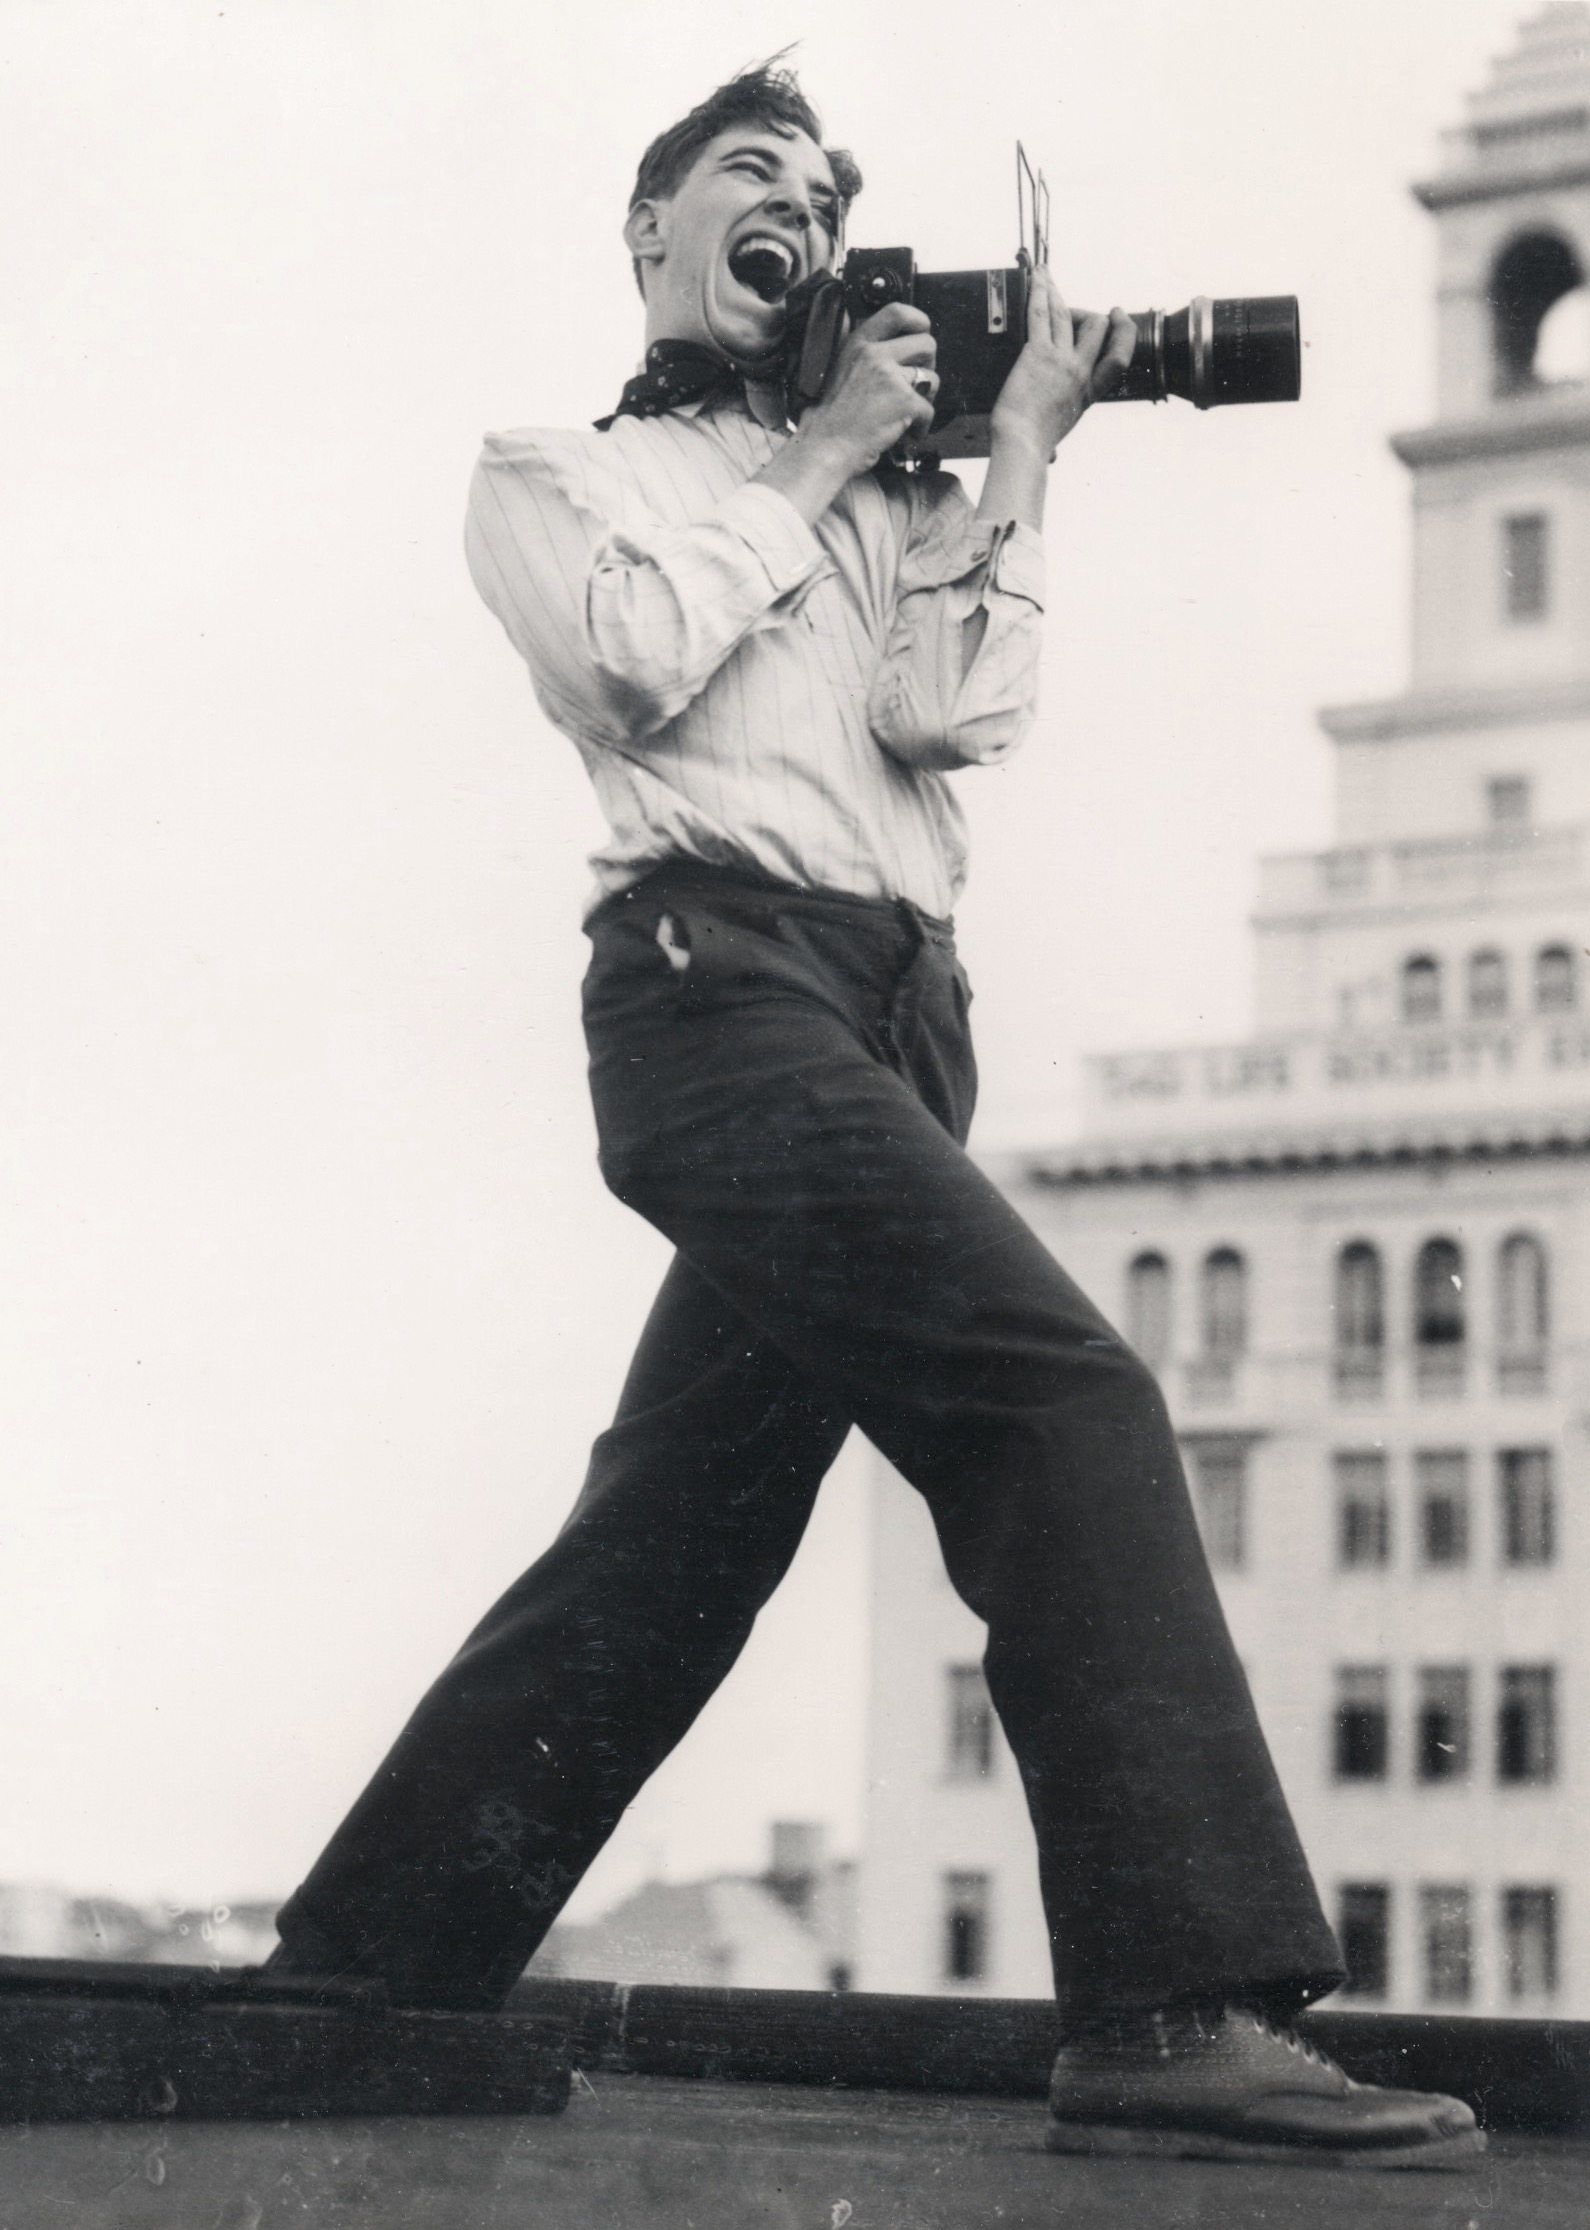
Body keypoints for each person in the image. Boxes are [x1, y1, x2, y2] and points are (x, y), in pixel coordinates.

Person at [269, 63, 1482, 2168]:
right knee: (1063, 1398)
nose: (806, 216)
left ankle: (367, 1971)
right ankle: (1173, 2006)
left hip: (901, 1010)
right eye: (754, 177)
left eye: (828, 198)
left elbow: (956, 712)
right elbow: (627, 658)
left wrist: (1012, 462)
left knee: (680, 1530)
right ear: (651, 229)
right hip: (717, 991)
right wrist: (824, 448)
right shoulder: (559, 470)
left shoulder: (883, 501)